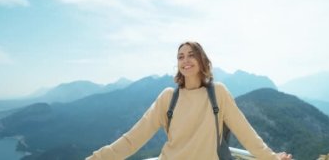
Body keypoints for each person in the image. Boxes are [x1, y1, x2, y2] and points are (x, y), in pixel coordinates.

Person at [86, 41, 292, 160]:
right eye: (180, 56)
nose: (185, 60)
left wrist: (272, 158)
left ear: (202, 61)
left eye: (191, 55)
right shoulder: (168, 97)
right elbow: (133, 138)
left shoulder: (218, 93)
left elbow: (247, 134)